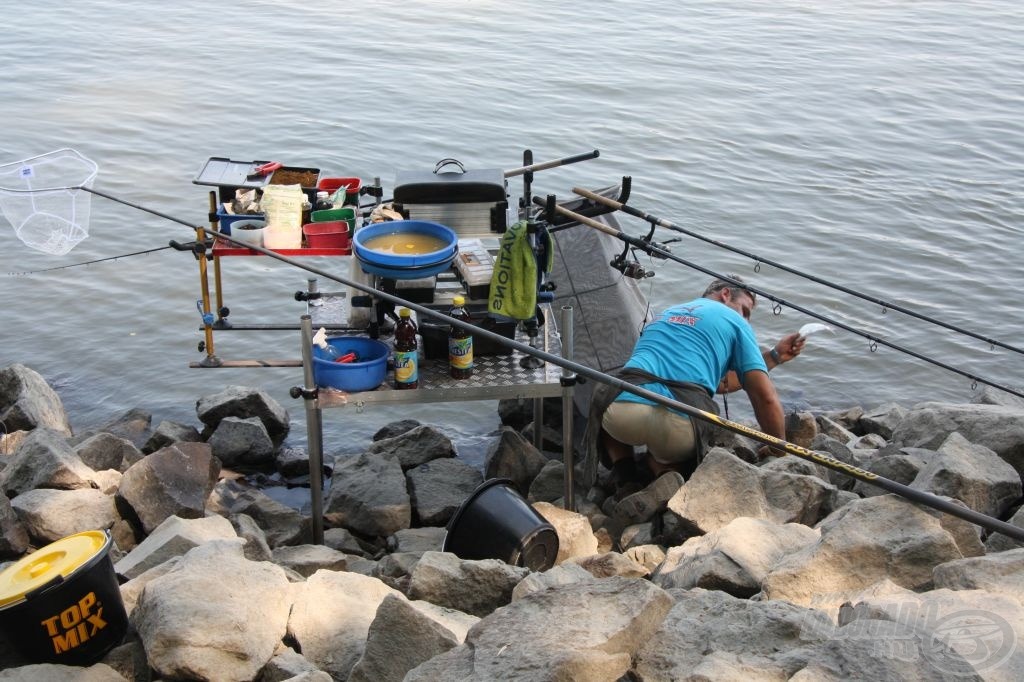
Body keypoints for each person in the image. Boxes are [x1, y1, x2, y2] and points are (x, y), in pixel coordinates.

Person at [587, 274, 805, 493]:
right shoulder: (735, 321)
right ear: (726, 294)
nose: (745, 320)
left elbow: (719, 384)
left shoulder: (665, 314)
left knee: (615, 388)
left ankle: (624, 473)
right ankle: (663, 478)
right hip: (678, 427)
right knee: (675, 445)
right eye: (745, 311)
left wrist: (775, 356)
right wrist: (779, 449)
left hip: (622, 416)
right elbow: (764, 397)